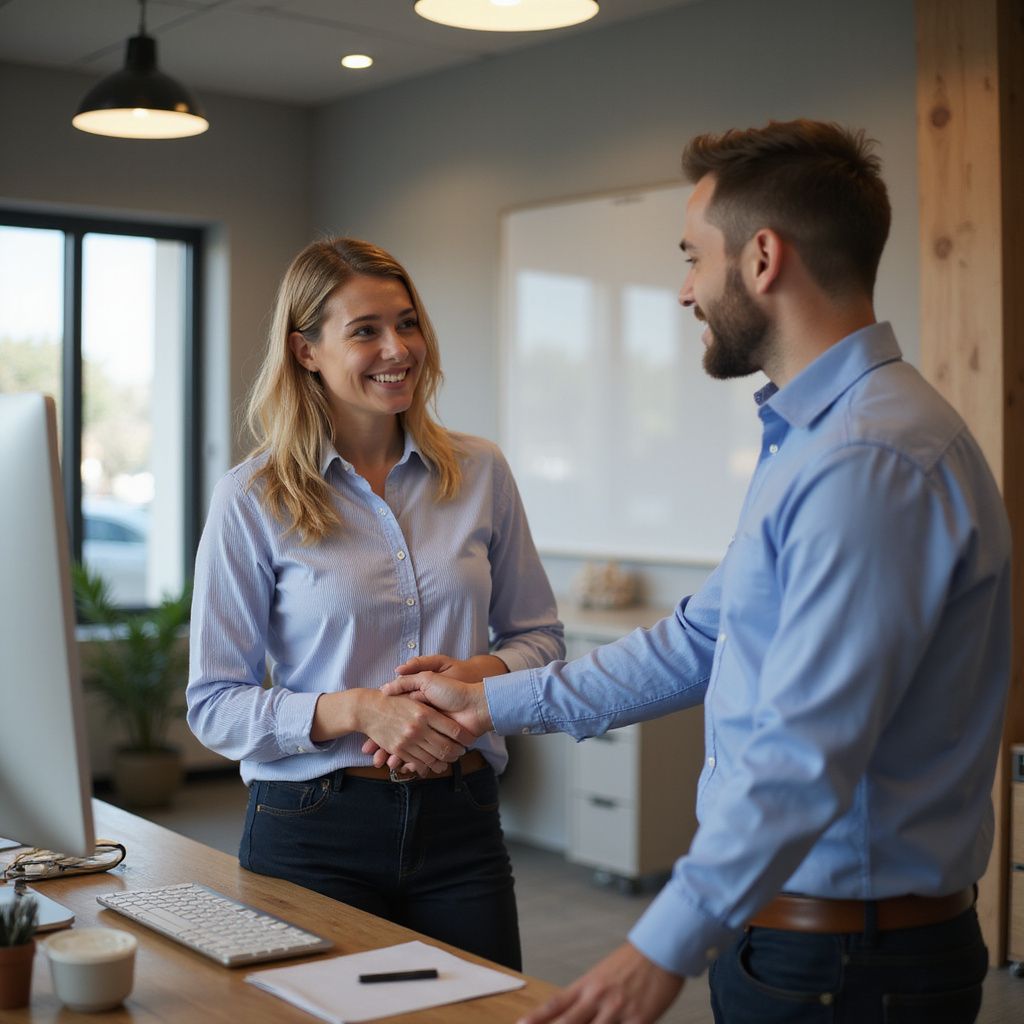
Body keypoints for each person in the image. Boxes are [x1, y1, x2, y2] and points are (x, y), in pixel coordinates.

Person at [380, 120, 1012, 1023]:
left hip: (847, 968)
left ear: (762, 259)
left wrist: (658, 947)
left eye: (692, 258)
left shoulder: (868, 461)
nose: (683, 292)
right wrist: (488, 703)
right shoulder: (817, 441)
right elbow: (703, 636)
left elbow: (805, 749)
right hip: (802, 943)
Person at [186, 237, 564, 970]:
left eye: (408, 323)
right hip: (312, 827)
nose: (398, 348)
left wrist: (476, 674)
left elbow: (541, 640)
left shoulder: (482, 471)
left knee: (482, 1018)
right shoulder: (252, 496)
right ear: (306, 351)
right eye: (365, 331)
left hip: (464, 819)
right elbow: (213, 704)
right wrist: (360, 709)